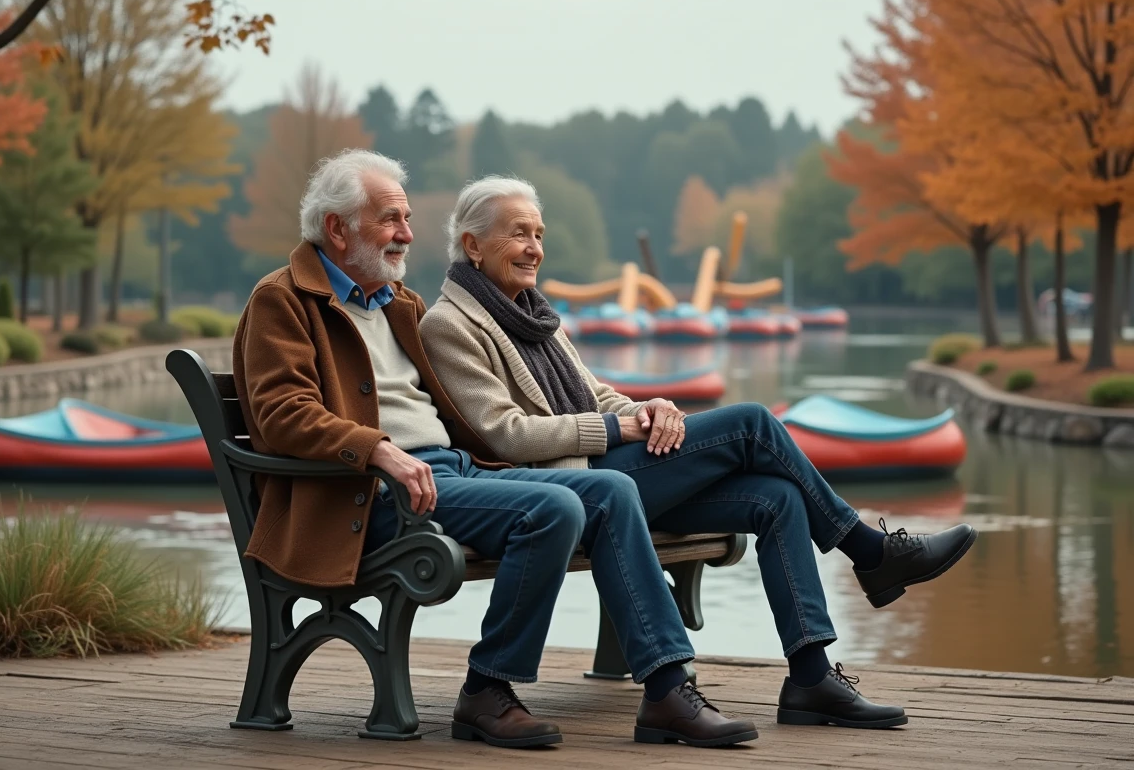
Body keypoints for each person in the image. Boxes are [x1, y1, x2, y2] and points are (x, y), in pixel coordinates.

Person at [232, 149, 757, 749]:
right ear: (337, 228)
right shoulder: (282, 301)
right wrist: (377, 450)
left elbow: (468, 415)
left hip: (450, 476)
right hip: (364, 498)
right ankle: (487, 689)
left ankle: (666, 688)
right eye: (390, 220)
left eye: (405, 219)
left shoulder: (400, 305)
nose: (406, 234)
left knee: (611, 489)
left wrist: (609, 416)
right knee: (553, 508)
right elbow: (281, 416)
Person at [419, 175, 981, 730]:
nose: (535, 248)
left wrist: (652, 407)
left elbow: (598, 395)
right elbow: (506, 435)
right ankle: (867, 549)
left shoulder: (533, 315)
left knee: (778, 496)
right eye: (519, 234)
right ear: (473, 245)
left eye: (539, 234)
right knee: (754, 423)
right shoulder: (449, 326)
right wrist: (619, 430)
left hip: (607, 472)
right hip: (561, 486)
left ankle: (811, 678)